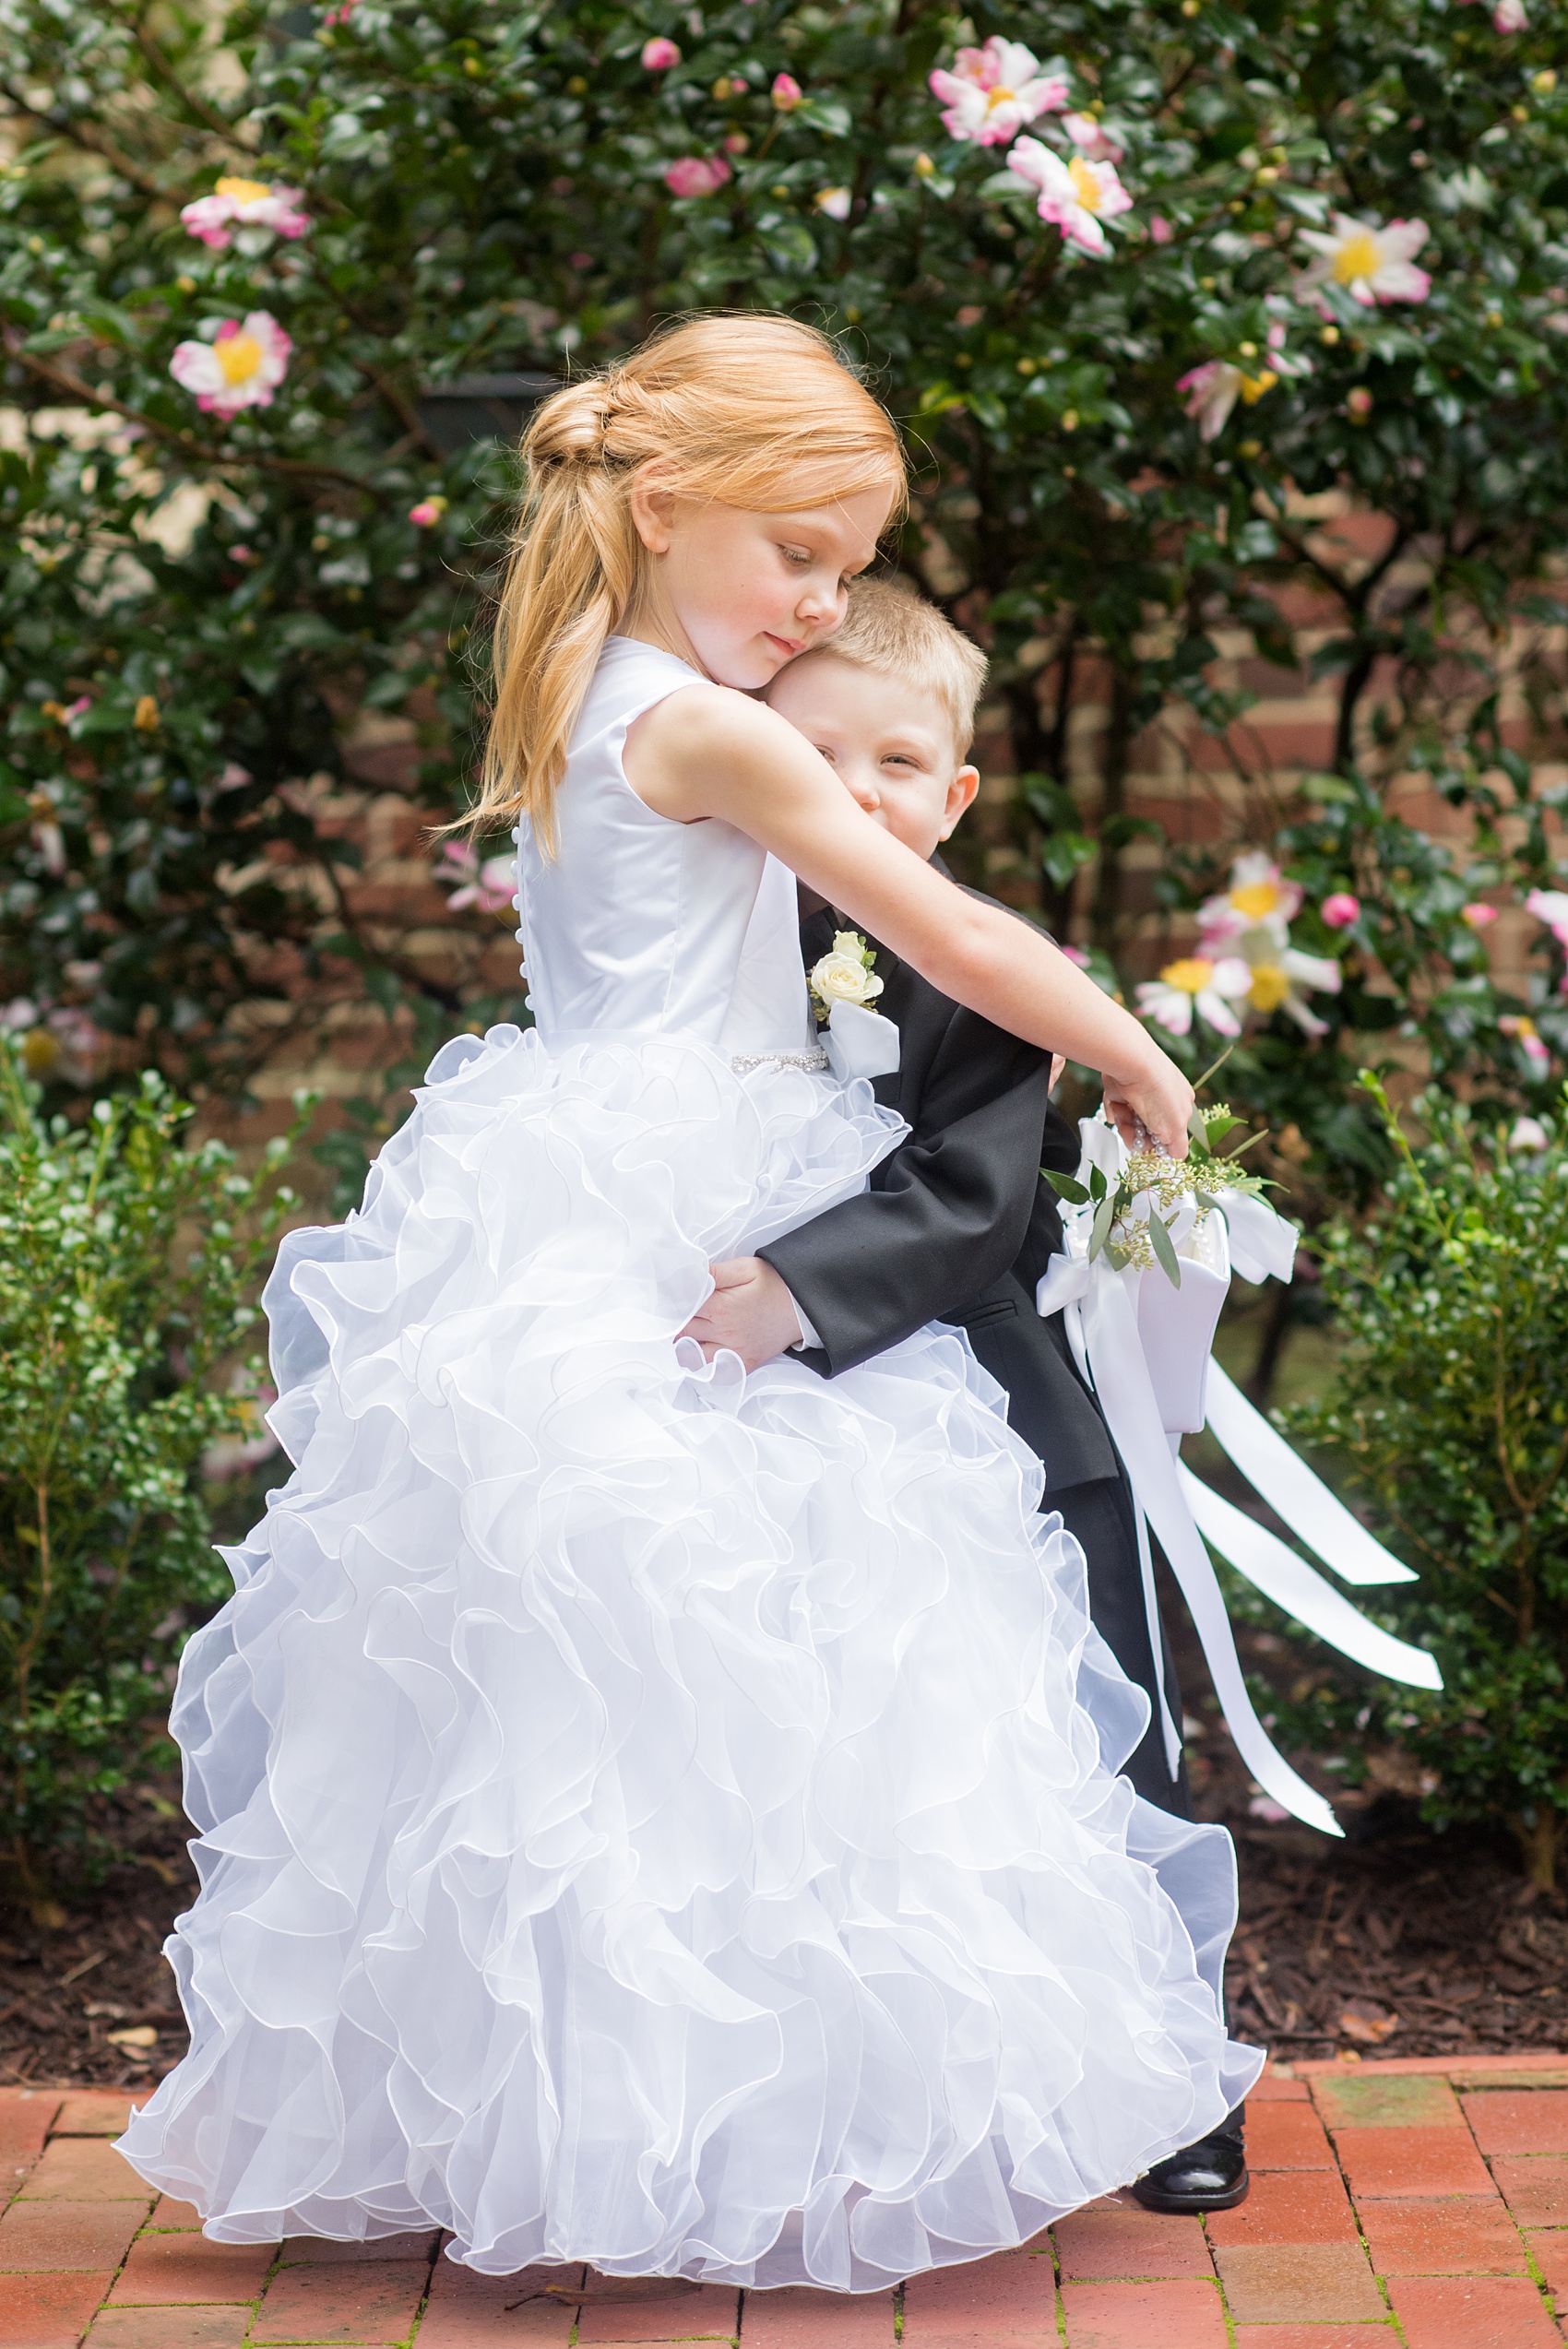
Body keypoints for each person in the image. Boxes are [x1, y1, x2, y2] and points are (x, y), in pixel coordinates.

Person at [118, 314, 1261, 2290]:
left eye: (843, 563)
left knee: (598, 1673)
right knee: (777, 1645)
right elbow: (943, 921)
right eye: (799, 553)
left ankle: (627, 2113)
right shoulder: (716, 730)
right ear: (664, 504)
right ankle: (769, 2111)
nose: (825, 605)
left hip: (563, 1177)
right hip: (697, 1184)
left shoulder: (568, 674)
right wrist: (1133, 1052)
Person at [682, 577, 1248, 2213]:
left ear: (956, 793)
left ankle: (1176, 2079)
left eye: (901, 764)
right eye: (819, 753)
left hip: (989, 1393)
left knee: (1102, 1724)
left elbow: (977, 1190)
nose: (859, 795)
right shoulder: (715, 939)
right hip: (761, 1412)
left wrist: (798, 1290)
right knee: (850, 1758)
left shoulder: (979, 963)